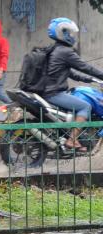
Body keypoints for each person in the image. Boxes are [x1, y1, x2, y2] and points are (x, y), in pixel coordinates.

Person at [43, 17, 103, 152]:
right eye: (68, 33)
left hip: (47, 91)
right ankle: (72, 140)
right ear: (61, 33)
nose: (71, 36)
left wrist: (90, 80)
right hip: (54, 93)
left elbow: (71, 73)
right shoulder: (65, 51)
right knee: (85, 107)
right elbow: (85, 67)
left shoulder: (53, 50)